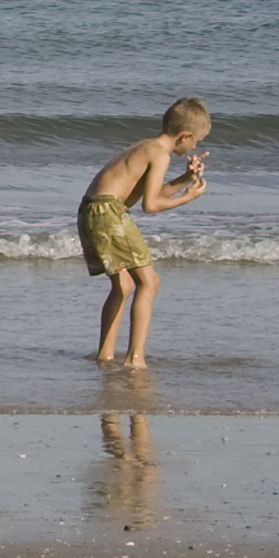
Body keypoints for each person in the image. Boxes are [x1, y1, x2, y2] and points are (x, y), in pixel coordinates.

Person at [80, 97, 212, 367]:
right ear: (184, 136)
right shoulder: (160, 154)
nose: (195, 146)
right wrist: (188, 198)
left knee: (124, 285)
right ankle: (135, 358)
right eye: (196, 140)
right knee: (150, 282)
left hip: (92, 210)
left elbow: (151, 192)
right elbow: (151, 205)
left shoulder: (148, 148)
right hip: (109, 212)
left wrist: (185, 180)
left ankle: (105, 353)